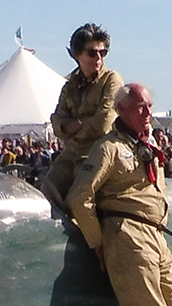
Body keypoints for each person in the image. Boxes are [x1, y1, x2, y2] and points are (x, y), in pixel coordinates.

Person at [68, 82, 172, 306]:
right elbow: (79, 196)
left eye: (149, 106)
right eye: (139, 107)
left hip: (156, 235)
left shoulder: (148, 143)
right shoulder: (108, 148)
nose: (147, 112)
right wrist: (98, 241)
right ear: (120, 110)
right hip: (128, 236)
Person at [43, 23, 124, 210]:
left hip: (98, 153)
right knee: (45, 195)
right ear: (76, 54)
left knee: (79, 202)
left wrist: (72, 126)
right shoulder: (69, 85)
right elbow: (56, 124)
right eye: (92, 52)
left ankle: (95, 241)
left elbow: (104, 123)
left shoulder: (111, 80)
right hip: (70, 154)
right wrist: (81, 124)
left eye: (102, 53)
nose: (98, 58)